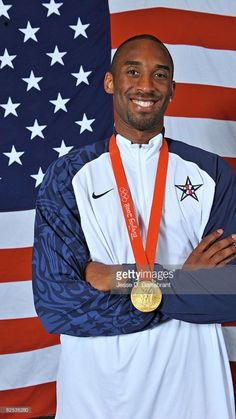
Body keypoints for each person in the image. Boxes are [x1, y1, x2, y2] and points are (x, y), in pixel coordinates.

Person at [32, 34, 236, 419]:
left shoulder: (210, 173)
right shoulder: (68, 175)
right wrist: (186, 281)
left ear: (172, 89)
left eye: (160, 75)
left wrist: (119, 278)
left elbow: (230, 292)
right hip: (97, 389)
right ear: (110, 82)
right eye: (133, 71)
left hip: (192, 384)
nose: (146, 86)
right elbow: (57, 304)